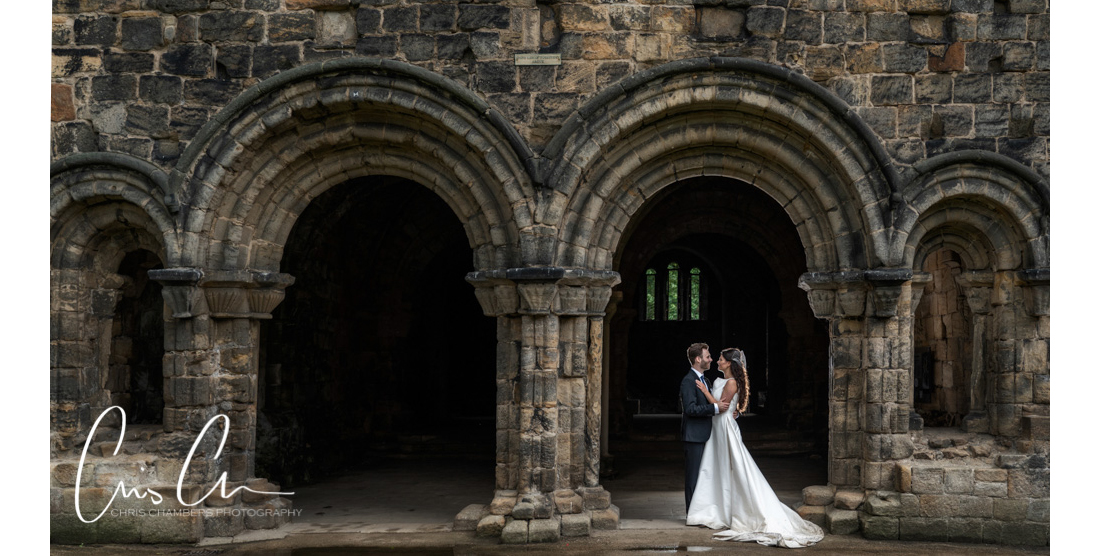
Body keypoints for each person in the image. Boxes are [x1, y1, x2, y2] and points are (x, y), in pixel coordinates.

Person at [686, 348, 824, 548]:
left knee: (732, 467)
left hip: (724, 427)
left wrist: (706, 392)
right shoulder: (719, 380)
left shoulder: (732, 383)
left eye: (721, 359)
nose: (717, 361)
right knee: (716, 467)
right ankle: (716, 509)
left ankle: (735, 511)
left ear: (730, 364)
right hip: (717, 428)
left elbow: (721, 406)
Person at [680, 342, 730, 511]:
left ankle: (702, 511)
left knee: (705, 477)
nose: (711, 359)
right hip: (694, 436)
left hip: (707, 434)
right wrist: (715, 408)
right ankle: (692, 514)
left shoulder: (705, 380)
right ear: (697, 359)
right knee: (693, 477)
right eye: (708, 357)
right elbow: (690, 409)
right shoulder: (688, 381)